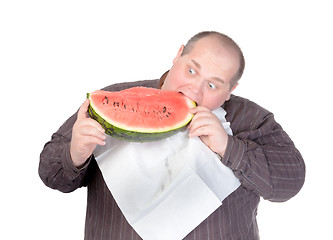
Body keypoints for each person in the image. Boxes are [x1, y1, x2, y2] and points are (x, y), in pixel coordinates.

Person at [39, 31, 305, 239]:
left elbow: (289, 182)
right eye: (191, 70)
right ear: (178, 55)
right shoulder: (115, 98)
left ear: (230, 90)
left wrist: (229, 148)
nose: (194, 91)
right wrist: (74, 154)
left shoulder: (251, 119)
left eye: (213, 85)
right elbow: (51, 175)